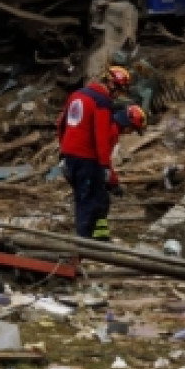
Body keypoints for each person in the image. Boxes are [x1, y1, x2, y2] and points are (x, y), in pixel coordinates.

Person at [58, 66, 134, 240]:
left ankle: (94, 239)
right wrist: (105, 168)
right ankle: (85, 245)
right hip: (88, 160)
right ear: (113, 85)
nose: (118, 96)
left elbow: (61, 124)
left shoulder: (77, 95)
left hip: (70, 158)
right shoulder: (101, 102)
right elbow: (101, 137)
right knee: (89, 204)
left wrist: (64, 152)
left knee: (85, 200)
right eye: (120, 90)